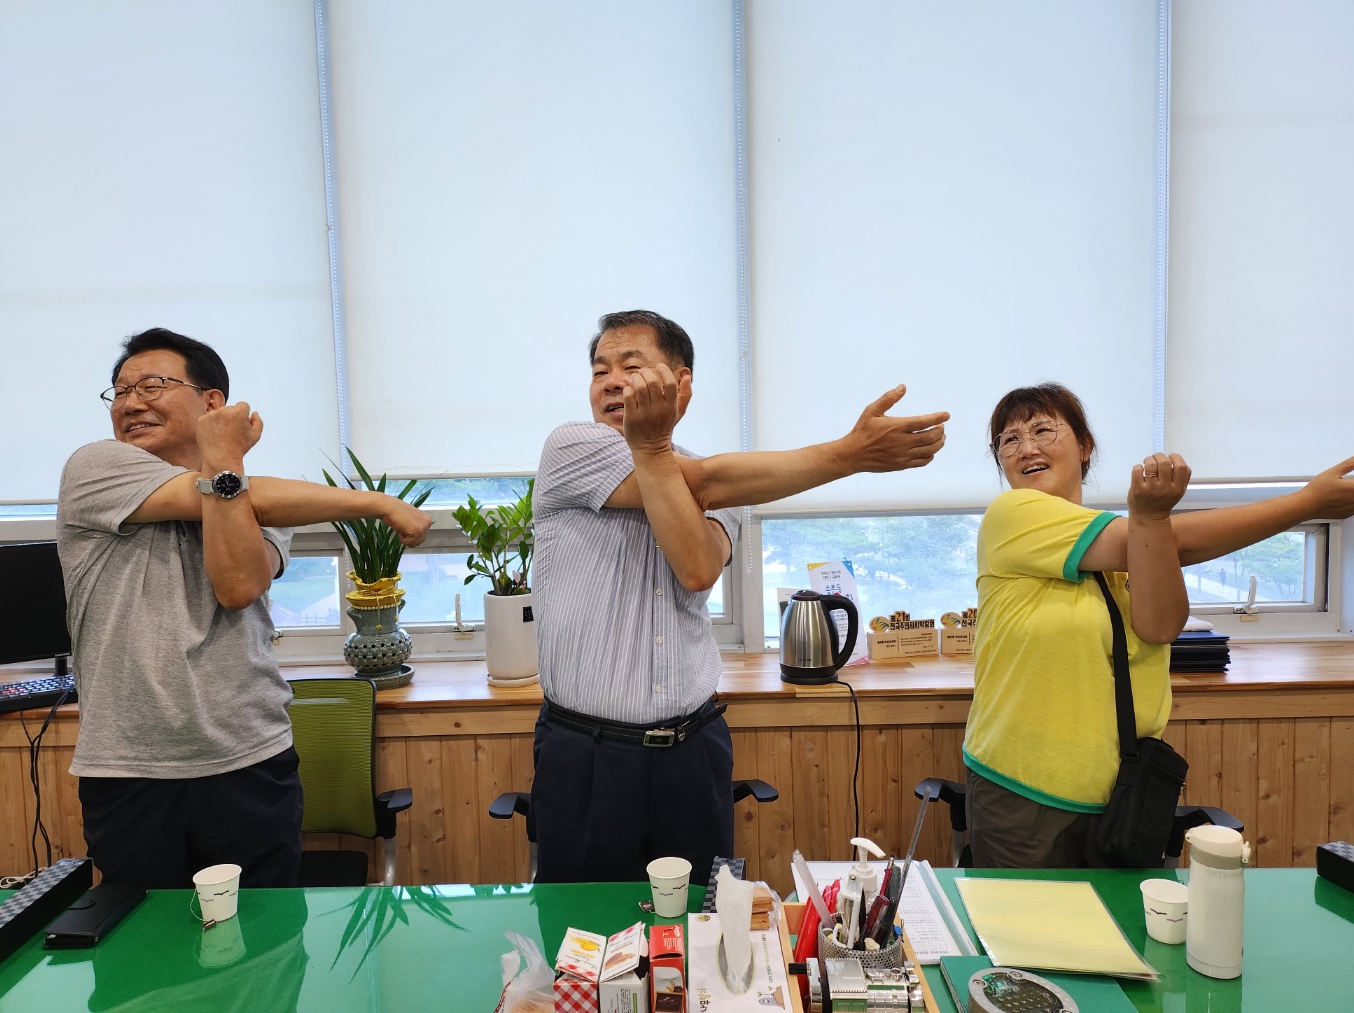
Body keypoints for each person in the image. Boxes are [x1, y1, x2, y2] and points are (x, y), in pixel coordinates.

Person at [530, 309, 950, 884]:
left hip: (691, 750)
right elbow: (701, 482)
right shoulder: (571, 448)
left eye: (631, 366)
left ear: (681, 384)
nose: (611, 382)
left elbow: (698, 567)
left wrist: (654, 452)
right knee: (582, 927)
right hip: (587, 752)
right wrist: (850, 453)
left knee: (701, 925)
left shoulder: (725, 477)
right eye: (600, 370)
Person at [58, 328, 432, 890]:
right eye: (121, 391)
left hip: (250, 757)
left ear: (213, 402)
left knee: (265, 936)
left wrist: (223, 461)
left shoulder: (270, 502)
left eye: (152, 385)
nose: (131, 403)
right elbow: (222, 491)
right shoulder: (96, 467)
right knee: (146, 939)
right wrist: (377, 502)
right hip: (130, 767)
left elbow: (236, 586)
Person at [964, 382, 1354, 868]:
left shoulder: (1118, 541)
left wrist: (1149, 520)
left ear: (1084, 446)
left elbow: (1161, 626)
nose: (1027, 448)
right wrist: (1306, 503)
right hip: (1025, 789)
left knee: (1121, 919)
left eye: (1043, 430)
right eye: (1009, 440)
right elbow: (1178, 541)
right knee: (1027, 919)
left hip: (1121, 791)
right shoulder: (1012, 515)